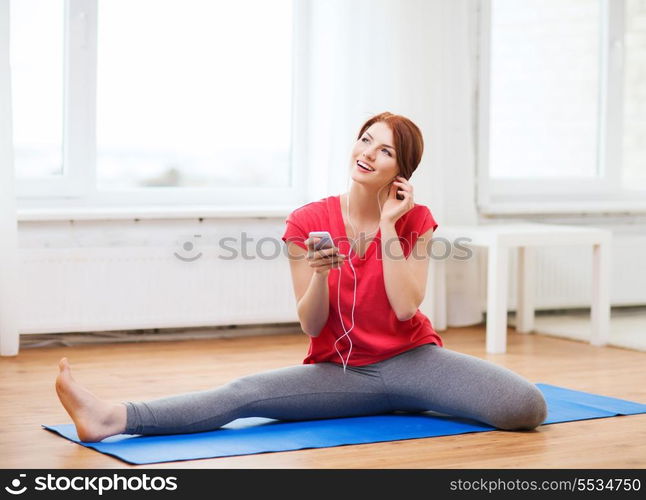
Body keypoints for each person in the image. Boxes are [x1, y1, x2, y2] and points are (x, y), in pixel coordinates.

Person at [55, 112, 547, 443]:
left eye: (386, 152)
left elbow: (404, 307)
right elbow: (312, 327)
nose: (369, 154)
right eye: (365, 140)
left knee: (525, 407)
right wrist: (320, 277)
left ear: (402, 173)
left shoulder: (416, 221)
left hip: (413, 362)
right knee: (242, 394)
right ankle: (111, 417)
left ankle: (408, 400)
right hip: (340, 373)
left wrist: (391, 225)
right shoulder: (306, 222)